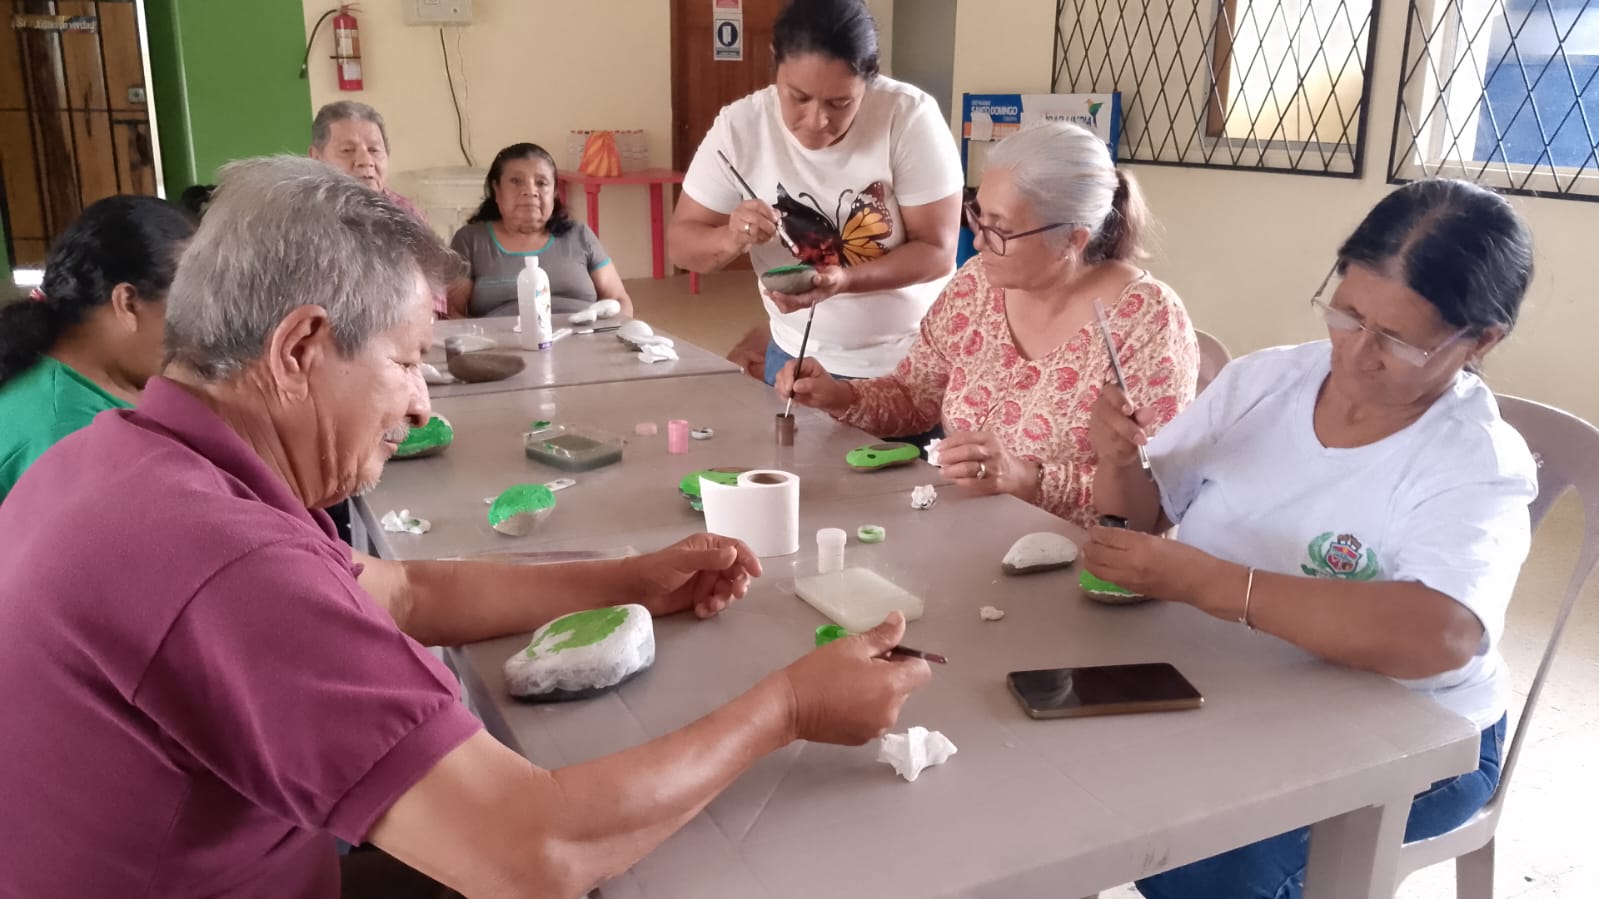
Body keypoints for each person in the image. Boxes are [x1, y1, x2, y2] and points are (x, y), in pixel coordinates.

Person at [0, 156, 930, 898]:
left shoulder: (126, 458)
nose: (419, 403)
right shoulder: (219, 557)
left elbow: (400, 590)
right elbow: (535, 850)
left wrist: (630, 577)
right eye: (407, 361)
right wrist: (788, 708)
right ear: (299, 349)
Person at [1084, 179, 1537, 899]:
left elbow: (1441, 633)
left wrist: (1213, 584)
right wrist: (1116, 463)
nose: (1357, 354)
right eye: (1347, 314)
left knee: (1210, 866)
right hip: (1247, 686)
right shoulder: (1266, 383)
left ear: (1481, 340)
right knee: (1067, 785)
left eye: (1397, 339)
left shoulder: (1473, 457)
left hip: (1416, 733)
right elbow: (1137, 517)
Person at [777, 122, 1197, 526]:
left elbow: (1153, 500)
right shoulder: (979, 283)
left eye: (1001, 230)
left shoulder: (1144, 319)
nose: (978, 242)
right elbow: (914, 396)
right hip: (963, 527)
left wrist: (1025, 478)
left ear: (1073, 239)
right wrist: (839, 395)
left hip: (1078, 557)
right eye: (979, 217)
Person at [670, 0, 964, 386]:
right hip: (795, 353)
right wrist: (732, 237)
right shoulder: (741, 127)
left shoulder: (907, 116)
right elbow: (682, 245)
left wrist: (846, 280)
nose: (817, 121)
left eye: (840, 103)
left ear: (869, 79)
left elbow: (937, 251)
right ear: (775, 64)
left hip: (908, 362)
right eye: (798, 97)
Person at [0, 195, 193, 502]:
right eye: (187, 311)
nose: (195, 334)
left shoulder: (85, 382)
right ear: (128, 303)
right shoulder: (65, 431)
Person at [447, 142, 633, 319]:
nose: (530, 191)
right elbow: (452, 312)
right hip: (501, 340)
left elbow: (619, 300)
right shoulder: (470, 240)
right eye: (516, 181)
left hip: (585, 336)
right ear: (497, 189)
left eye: (542, 183)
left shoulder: (579, 235)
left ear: (554, 192)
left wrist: (608, 334)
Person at [309, 100, 448, 319]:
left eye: (374, 150)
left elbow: (434, 299)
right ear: (316, 158)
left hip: (400, 330)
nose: (365, 161)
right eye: (347, 150)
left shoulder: (407, 215)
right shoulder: (298, 218)